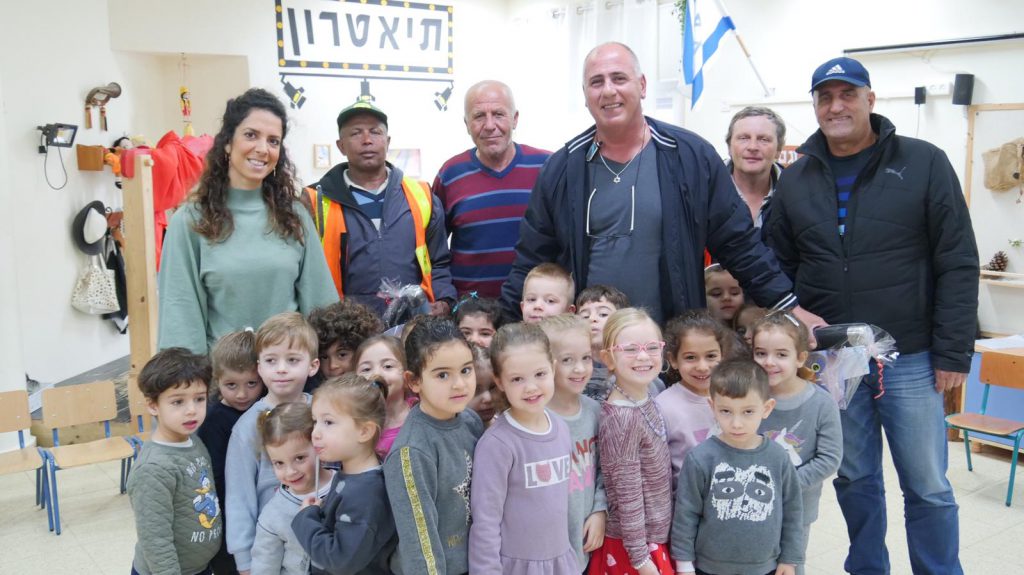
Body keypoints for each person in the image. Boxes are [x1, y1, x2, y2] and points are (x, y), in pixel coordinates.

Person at [765, 56, 978, 575]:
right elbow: (778, 263)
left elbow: (957, 260)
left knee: (927, 484)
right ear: (815, 106)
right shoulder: (796, 179)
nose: (836, 106)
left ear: (870, 100)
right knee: (853, 476)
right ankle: (867, 568)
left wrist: (953, 352)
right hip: (833, 358)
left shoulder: (924, 162)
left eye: (848, 95)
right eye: (825, 97)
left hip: (912, 357)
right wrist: (796, 325)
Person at [501, 42, 821, 331]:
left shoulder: (690, 157)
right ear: (585, 95)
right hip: (587, 352)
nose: (608, 91)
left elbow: (738, 243)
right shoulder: (562, 169)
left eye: (619, 78)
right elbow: (532, 258)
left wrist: (788, 307)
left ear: (642, 86)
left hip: (670, 345)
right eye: (597, 82)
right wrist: (503, 329)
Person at [158, 88, 338, 354]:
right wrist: (188, 376)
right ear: (228, 142)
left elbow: (320, 306)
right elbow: (179, 313)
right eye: (251, 135)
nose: (263, 149)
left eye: (273, 141)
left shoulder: (294, 217)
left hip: (289, 372)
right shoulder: (191, 221)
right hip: (223, 375)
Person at [303, 98, 457, 317]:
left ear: (387, 141)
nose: (367, 140)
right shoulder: (314, 200)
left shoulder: (421, 195)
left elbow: (439, 261)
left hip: (413, 326)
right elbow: (305, 274)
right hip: (346, 327)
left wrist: (443, 300)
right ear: (341, 145)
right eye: (356, 133)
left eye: (375, 132)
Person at [671, 359, 804, 575]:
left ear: (767, 408)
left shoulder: (778, 457)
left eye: (748, 412)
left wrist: (789, 558)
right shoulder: (700, 458)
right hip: (709, 568)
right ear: (712, 407)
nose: (736, 423)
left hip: (766, 567)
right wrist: (684, 564)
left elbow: (792, 510)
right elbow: (686, 514)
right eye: (726, 411)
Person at [469, 323, 579, 573]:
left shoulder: (561, 429)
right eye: (517, 379)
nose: (531, 387)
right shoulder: (497, 445)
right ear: (499, 381)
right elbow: (486, 523)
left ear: (553, 368)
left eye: (540, 374)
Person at [432, 80, 551, 298]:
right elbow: (434, 253)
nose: (489, 125)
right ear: (467, 124)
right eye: (479, 116)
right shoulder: (450, 174)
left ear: (515, 119)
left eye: (498, 114)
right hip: (471, 312)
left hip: (536, 309)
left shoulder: (547, 167)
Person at [383, 316, 483, 575]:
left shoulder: (470, 420)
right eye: (442, 375)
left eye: (466, 370)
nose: (459, 384)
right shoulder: (411, 452)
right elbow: (419, 545)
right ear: (414, 381)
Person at [225, 312, 320, 575]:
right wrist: (244, 560)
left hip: (323, 535)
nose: (281, 369)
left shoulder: (323, 411)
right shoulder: (246, 427)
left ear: (312, 366)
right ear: (259, 367)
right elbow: (239, 496)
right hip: (274, 546)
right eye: (271, 360)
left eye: (292, 360)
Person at [752, 313, 842, 575]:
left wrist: (785, 485)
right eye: (760, 353)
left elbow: (829, 459)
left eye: (781, 354)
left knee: (789, 566)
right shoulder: (748, 396)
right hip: (750, 504)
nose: (769, 362)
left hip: (797, 508)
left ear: (801, 358)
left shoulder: (822, 403)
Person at [291, 374, 399, 575]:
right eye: (315, 421)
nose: (315, 433)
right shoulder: (353, 476)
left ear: (364, 431)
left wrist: (305, 520)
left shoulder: (366, 496)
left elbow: (340, 561)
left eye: (328, 422)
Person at [594, 308, 674, 575]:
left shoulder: (646, 395)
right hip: (634, 550)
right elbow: (627, 496)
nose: (643, 356)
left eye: (651, 347)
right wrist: (641, 560)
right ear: (608, 358)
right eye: (630, 349)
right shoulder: (622, 418)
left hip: (653, 537)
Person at [128, 348, 221, 575]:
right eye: (178, 402)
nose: (192, 411)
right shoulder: (153, 469)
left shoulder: (194, 442)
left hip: (199, 567)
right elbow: (156, 542)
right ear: (153, 405)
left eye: (199, 399)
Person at [539, 314, 608, 570]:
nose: (580, 369)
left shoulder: (595, 411)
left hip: (583, 543)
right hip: (544, 550)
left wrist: (600, 511)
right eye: (567, 360)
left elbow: (605, 469)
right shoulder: (535, 417)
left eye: (586, 358)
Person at [198, 330, 264, 575]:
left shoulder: (266, 408)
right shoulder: (214, 421)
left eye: (251, 383)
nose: (242, 394)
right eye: (231, 385)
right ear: (217, 380)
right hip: (230, 524)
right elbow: (216, 480)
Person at [250, 403, 332, 575]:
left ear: (319, 445)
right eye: (279, 463)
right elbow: (264, 567)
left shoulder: (346, 485)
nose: (290, 472)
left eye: (299, 458)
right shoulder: (273, 514)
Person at [655, 310, 726, 489]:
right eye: (690, 357)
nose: (702, 367)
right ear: (673, 360)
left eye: (711, 356)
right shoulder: (663, 406)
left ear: (723, 355)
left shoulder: (734, 396)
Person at [725, 106, 787, 229]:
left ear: (778, 149)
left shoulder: (797, 193)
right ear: (729, 147)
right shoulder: (705, 190)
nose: (752, 147)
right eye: (743, 138)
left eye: (764, 139)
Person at [353, 335, 411, 457]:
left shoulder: (421, 412)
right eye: (366, 369)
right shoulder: (354, 423)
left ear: (406, 374)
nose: (376, 374)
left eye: (388, 366)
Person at [306, 300, 382, 392]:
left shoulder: (379, 392)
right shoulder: (313, 395)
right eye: (324, 357)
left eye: (342, 355)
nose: (332, 365)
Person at [576, 285, 630, 401]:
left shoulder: (632, 363)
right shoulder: (573, 366)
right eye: (585, 316)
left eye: (603, 314)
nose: (592, 318)